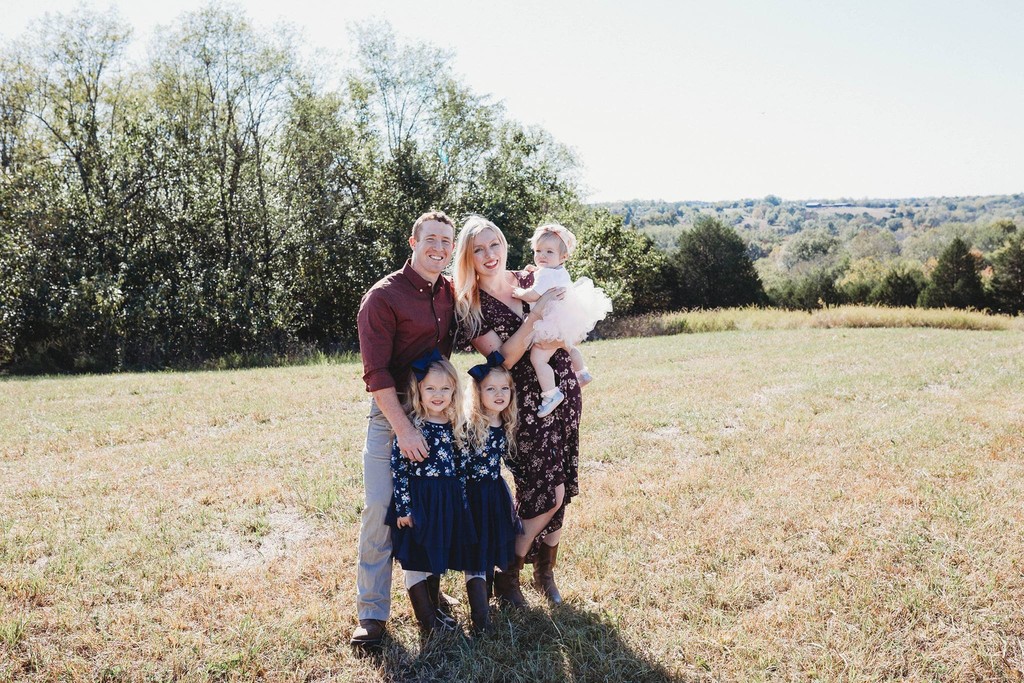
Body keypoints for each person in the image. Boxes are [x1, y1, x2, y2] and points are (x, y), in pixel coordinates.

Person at [453, 215, 578, 607]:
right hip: (521, 403)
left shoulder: (530, 277)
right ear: (468, 257)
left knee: (563, 481)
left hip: (560, 388)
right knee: (546, 490)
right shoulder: (471, 305)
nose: (490, 254)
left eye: (495, 244)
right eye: (479, 249)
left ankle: (545, 573)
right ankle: (507, 574)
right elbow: (502, 359)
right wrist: (536, 315)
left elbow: (569, 315)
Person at [352, 211, 457, 647]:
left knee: (434, 504)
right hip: (390, 412)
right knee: (380, 507)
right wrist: (405, 430)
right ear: (413, 242)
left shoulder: (449, 292)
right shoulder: (383, 297)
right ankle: (372, 614)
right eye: (430, 239)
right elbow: (375, 374)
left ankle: (430, 593)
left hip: (436, 412)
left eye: (446, 241)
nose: (439, 248)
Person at [388, 355, 472, 635]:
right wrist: (404, 508)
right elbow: (398, 468)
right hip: (419, 500)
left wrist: (461, 502)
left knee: (437, 551)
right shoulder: (412, 426)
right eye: (431, 389)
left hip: (445, 501)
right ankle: (427, 619)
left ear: (454, 391)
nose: (438, 395)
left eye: (445, 388)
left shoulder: (453, 424)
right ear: (419, 391)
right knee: (416, 558)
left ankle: (435, 607)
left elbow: (460, 467)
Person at [512, 224, 612, 417]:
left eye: (549, 252)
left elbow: (533, 295)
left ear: (563, 257)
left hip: (551, 321)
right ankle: (582, 372)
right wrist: (537, 270)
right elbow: (548, 276)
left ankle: (551, 394)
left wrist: (519, 293)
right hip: (567, 319)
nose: (542, 256)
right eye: (538, 251)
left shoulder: (546, 273)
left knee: (538, 358)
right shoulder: (559, 270)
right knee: (568, 346)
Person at [462, 351, 522, 632]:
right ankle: (480, 617)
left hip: (495, 492)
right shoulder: (471, 425)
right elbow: (461, 463)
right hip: (473, 494)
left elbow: (508, 459)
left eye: (504, 389)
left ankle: (487, 598)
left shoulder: (504, 422)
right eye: (491, 389)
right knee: (476, 548)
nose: (499, 395)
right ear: (478, 393)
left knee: (492, 542)